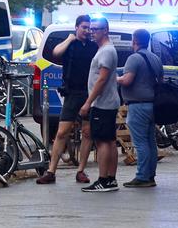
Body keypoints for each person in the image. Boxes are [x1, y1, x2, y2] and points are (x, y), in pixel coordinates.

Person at [36, 15, 98, 185]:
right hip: (72, 93)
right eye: (84, 27)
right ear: (76, 27)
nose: (87, 30)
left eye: (89, 28)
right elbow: (56, 52)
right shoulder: (69, 45)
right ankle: (51, 171)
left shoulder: (93, 47)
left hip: (88, 93)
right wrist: (69, 39)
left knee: (87, 132)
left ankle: (81, 171)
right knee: (62, 132)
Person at [78, 17, 121, 192]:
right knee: (109, 140)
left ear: (106, 30)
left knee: (103, 141)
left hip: (102, 103)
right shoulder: (105, 50)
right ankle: (110, 178)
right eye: (91, 29)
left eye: (96, 29)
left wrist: (88, 102)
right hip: (107, 102)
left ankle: (104, 179)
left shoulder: (106, 51)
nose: (92, 32)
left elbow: (102, 79)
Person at [117, 28, 160, 188]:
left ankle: (142, 176)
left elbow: (127, 80)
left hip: (138, 106)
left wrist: (116, 78)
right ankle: (150, 175)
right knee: (150, 141)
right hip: (153, 105)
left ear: (134, 40)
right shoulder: (155, 58)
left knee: (140, 142)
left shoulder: (134, 59)